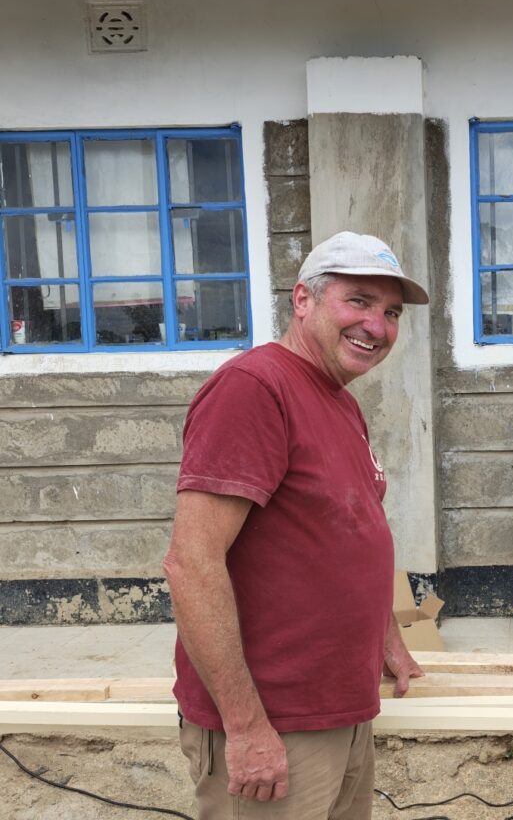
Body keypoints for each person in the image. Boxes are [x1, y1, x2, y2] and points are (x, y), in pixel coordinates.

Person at [163, 230, 429, 820]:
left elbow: (341, 534)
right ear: (302, 300)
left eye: (390, 312)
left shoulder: (338, 398)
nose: (378, 327)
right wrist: (247, 727)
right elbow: (192, 563)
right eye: (357, 301)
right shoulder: (253, 390)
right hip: (275, 724)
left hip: (338, 711)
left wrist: (384, 636)